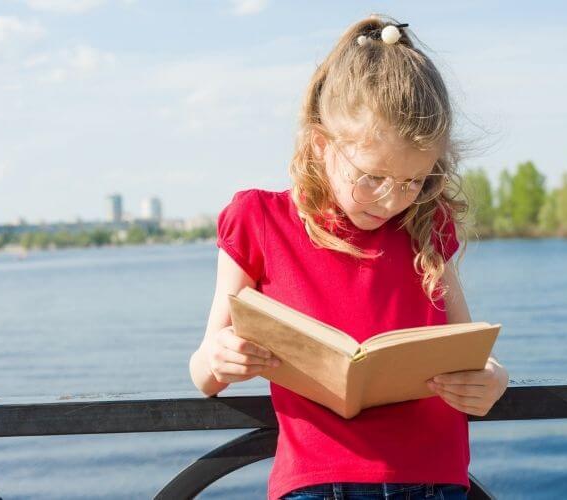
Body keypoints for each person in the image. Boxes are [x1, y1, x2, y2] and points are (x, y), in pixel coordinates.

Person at [189, 14, 509, 500]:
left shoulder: (426, 223)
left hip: (434, 479)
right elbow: (204, 372)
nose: (391, 199)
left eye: (413, 181)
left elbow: (468, 351)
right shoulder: (258, 220)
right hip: (318, 482)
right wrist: (220, 356)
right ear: (321, 145)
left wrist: (492, 380)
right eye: (373, 177)